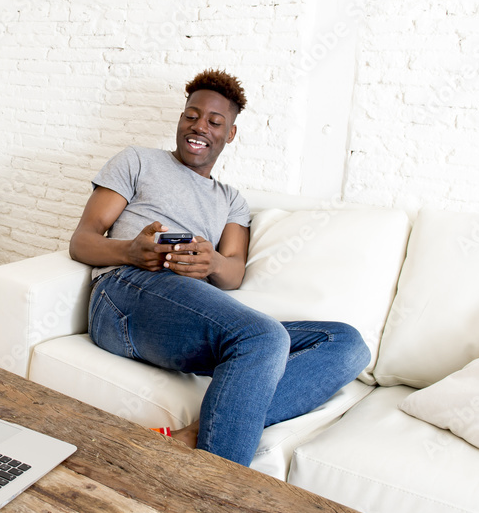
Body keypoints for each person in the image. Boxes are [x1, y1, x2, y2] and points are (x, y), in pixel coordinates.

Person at [68, 69, 369, 466]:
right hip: (125, 294)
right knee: (264, 337)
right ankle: (214, 492)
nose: (199, 127)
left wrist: (212, 263)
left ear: (230, 134)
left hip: (192, 311)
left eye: (215, 121)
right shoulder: (137, 161)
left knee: (347, 344)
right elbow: (81, 241)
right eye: (191, 115)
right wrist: (130, 251)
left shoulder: (231, 200)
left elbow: (234, 273)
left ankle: (196, 435)